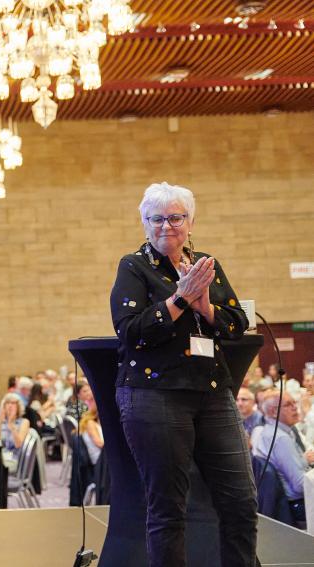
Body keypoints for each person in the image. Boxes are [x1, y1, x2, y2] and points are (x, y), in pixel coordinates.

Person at [110, 182, 256, 566]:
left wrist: (206, 307)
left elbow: (237, 323)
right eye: (156, 219)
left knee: (241, 500)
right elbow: (130, 331)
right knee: (169, 509)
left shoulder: (207, 264)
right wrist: (180, 298)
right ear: (145, 224)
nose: (166, 226)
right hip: (154, 394)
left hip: (212, 391)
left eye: (176, 217)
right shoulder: (134, 266)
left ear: (191, 222)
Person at [253, 391, 314, 524]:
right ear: (273, 412)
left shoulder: (269, 431)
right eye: (288, 405)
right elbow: (300, 485)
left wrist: (304, 461)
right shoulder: (280, 438)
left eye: (294, 403)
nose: (295, 407)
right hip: (298, 505)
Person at [0, 392, 31, 471]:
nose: (10, 405)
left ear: (18, 406)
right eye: (7, 403)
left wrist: (11, 426)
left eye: (13, 403)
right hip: (0, 457)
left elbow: (18, 445)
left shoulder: (24, 422)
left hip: (15, 458)